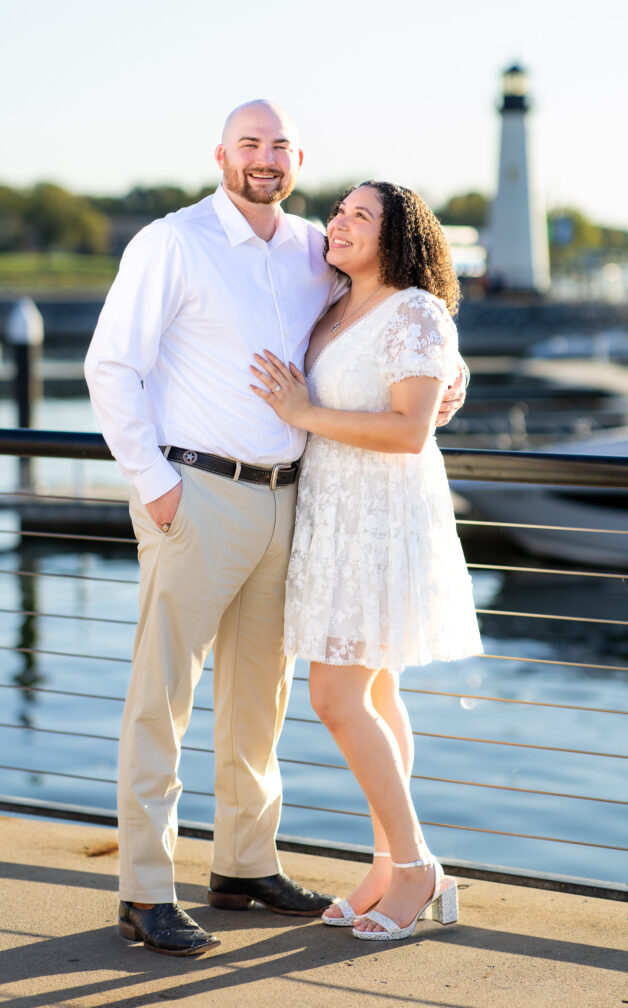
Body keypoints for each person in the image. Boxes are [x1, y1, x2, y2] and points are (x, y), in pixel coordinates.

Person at [85, 103, 467, 956]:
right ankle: (146, 891)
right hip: (196, 492)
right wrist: (154, 485)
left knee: (261, 698)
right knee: (163, 701)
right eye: (248, 145)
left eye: (278, 147)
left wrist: (455, 380)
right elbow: (108, 365)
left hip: (296, 500)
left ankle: (244, 865)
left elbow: (400, 322)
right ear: (221, 154)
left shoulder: (312, 250)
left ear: (298, 158)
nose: (263, 159)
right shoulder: (171, 241)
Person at [250, 181, 483, 942]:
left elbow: (411, 430)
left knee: (336, 697)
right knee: (375, 694)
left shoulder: (413, 307)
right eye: (338, 211)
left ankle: (415, 866)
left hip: (380, 517)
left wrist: (302, 414)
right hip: (333, 513)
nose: (338, 223)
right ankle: (391, 863)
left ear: (396, 237)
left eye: (360, 215)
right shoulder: (334, 302)